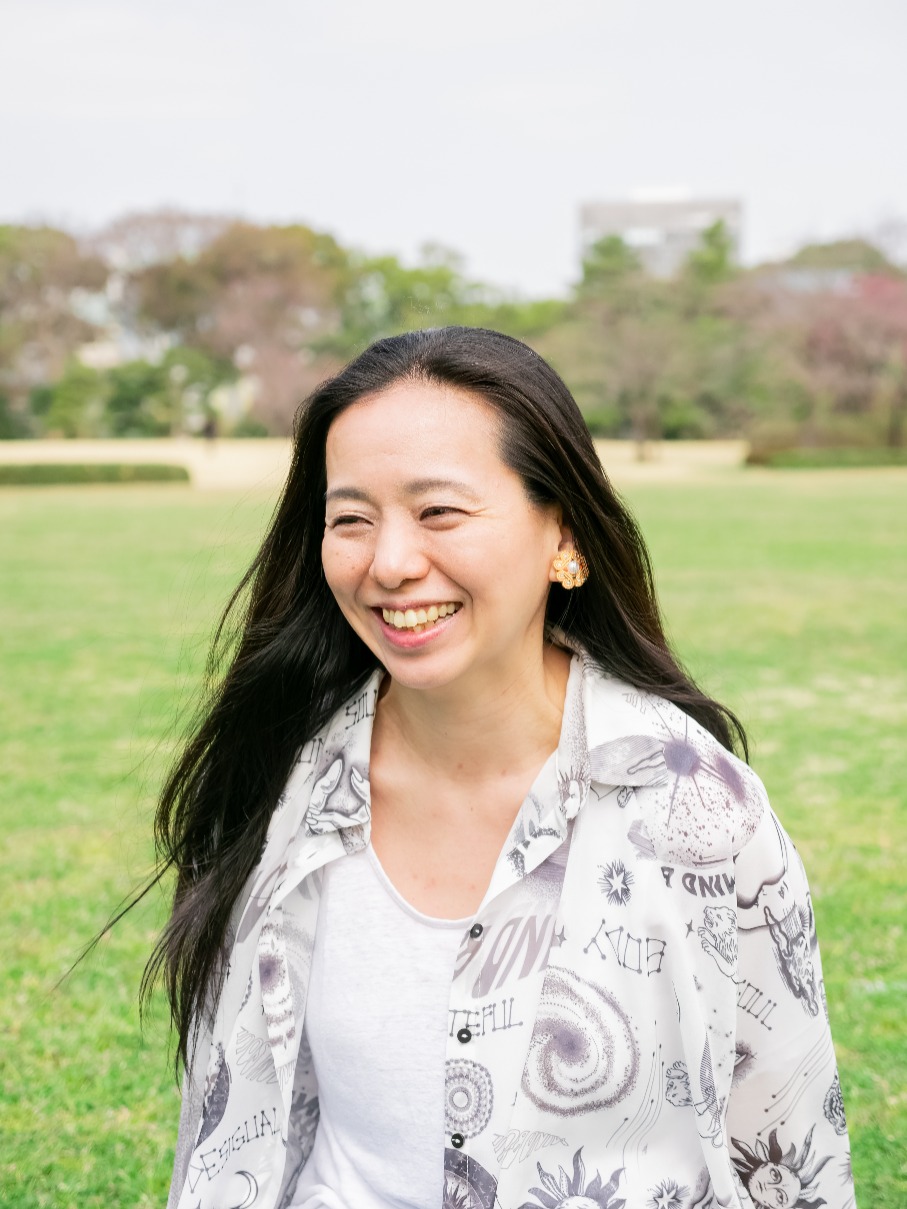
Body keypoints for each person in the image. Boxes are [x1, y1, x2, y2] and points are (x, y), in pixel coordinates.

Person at [151, 328, 856, 1209]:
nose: (389, 563)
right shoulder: (286, 781)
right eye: (350, 518)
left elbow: (789, 1147)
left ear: (563, 531)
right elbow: (232, 1130)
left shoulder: (693, 807)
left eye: (439, 512)